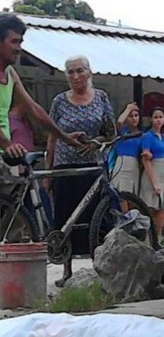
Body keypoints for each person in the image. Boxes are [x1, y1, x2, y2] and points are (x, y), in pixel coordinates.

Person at [0, 14, 81, 296]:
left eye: (21, 41)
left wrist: (64, 138)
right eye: (15, 41)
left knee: (16, 218)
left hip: (5, 155)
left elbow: (33, 109)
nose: (19, 47)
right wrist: (6, 143)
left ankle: (14, 279)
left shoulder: (11, 74)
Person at [47, 55, 115, 287]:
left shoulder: (101, 98)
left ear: (88, 72)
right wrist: (49, 171)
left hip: (92, 169)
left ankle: (99, 268)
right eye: (70, 72)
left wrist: (96, 142)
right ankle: (66, 271)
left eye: (79, 71)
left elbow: (110, 133)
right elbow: (52, 138)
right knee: (66, 218)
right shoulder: (59, 102)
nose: (75, 76)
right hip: (64, 169)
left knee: (97, 220)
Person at [140, 107, 164, 240]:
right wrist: (154, 182)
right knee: (149, 209)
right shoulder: (147, 136)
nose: (159, 120)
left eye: (161, 117)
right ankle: (146, 241)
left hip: (163, 174)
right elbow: (146, 160)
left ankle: (158, 239)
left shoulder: (162, 137)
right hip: (152, 175)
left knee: (161, 209)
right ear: (151, 119)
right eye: (156, 117)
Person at [111, 102, 142, 199]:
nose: (134, 118)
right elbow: (119, 122)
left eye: (136, 115)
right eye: (130, 116)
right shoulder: (123, 131)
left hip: (134, 165)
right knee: (120, 194)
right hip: (121, 163)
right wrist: (128, 108)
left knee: (132, 195)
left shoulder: (143, 135)